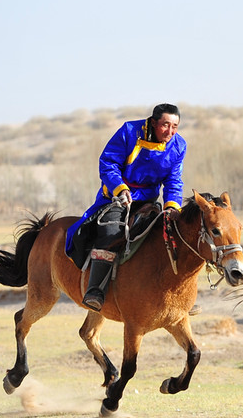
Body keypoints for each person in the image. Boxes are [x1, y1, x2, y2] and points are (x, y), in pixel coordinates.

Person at [65, 103, 187, 311]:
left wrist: (172, 206)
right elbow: (108, 163)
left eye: (175, 126)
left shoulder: (179, 146)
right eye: (166, 125)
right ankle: (95, 290)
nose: (170, 131)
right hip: (118, 196)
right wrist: (120, 189)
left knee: (172, 234)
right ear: (154, 122)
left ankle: (179, 295)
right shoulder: (129, 132)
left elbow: (174, 180)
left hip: (148, 200)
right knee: (111, 232)